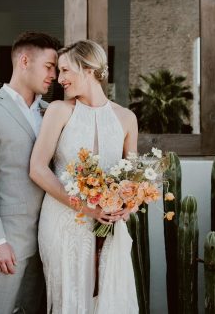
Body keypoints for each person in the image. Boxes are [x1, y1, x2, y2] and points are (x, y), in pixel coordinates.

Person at [30, 40, 139, 313]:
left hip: (109, 225)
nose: (60, 78)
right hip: (65, 224)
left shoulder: (126, 118)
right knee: (71, 298)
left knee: (109, 299)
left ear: (89, 69)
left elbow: (133, 176)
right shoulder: (59, 111)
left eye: (66, 70)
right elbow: (38, 168)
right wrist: (87, 207)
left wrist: (128, 204)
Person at [0, 31, 61, 314]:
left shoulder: (51, 112)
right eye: (49, 66)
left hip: (46, 240)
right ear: (24, 60)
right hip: (7, 242)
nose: (54, 75)